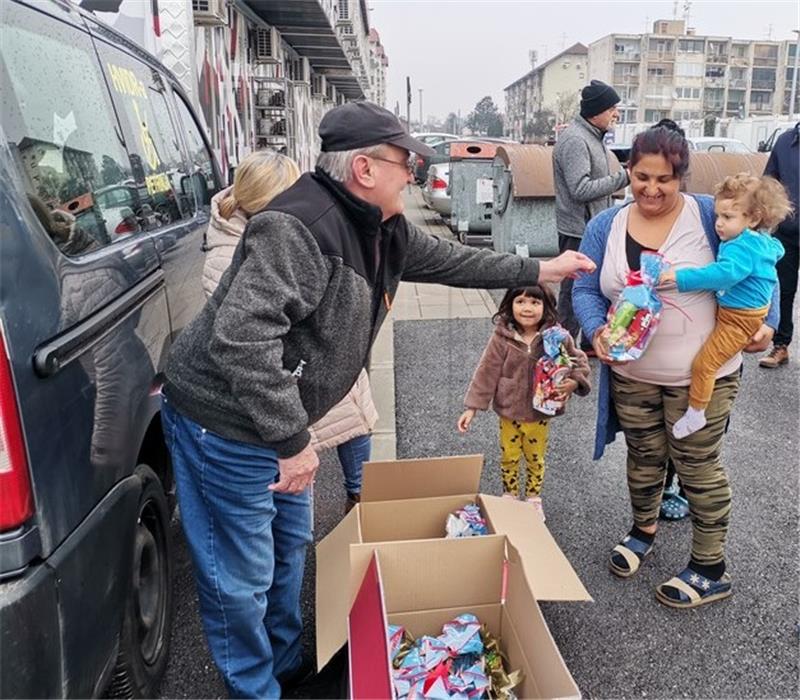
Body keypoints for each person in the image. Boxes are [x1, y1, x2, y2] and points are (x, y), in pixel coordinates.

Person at [160, 100, 596, 698]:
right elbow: (241, 337)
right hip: (226, 423)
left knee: (289, 548)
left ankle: (287, 666)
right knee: (236, 577)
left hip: (277, 420)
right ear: (365, 168)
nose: (414, 173)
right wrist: (291, 441)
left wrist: (541, 267)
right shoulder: (298, 228)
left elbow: (453, 260)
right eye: (405, 163)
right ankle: (254, 688)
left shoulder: (381, 225)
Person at [572, 121, 778, 609]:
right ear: (628, 171)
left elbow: (760, 265)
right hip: (631, 375)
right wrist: (596, 329)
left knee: (698, 466)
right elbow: (583, 286)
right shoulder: (606, 225)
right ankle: (643, 531)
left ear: (682, 177)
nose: (652, 188)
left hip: (702, 377)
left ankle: (711, 567)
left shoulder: (711, 216)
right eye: (642, 176)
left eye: (664, 178)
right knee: (643, 460)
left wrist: (765, 323)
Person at [202, 149, 376, 514]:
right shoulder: (230, 253)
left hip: (318, 366)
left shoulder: (287, 229)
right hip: (290, 381)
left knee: (357, 419)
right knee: (292, 486)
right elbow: (245, 341)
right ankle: (353, 501)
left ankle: (361, 497)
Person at [662, 173, 791, 438]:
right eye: (718, 216)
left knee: (704, 364)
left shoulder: (742, 246)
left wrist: (679, 277)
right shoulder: (757, 241)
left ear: (753, 218)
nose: (719, 224)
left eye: (728, 218)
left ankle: (696, 413)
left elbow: (723, 274)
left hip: (739, 318)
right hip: (742, 312)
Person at [457, 285, 590, 520]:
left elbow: (579, 362)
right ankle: (509, 493)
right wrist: (472, 407)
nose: (527, 308)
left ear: (546, 307)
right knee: (509, 455)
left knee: (535, 457)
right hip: (508, 411)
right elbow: (487, 370)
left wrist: (573, 382)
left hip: (540, 413)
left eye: (535, 303)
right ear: (510, 305)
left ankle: (533, 497)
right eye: (520, 302)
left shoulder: (557, 336)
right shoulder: (502, 337)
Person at [553, 79, 630, 348]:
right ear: (596, 110)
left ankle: (587, 344)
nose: (616, 114)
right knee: (574, 291)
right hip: (578, 229)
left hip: (589, 227)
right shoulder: (576, 139)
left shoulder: (591, 136)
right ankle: (561, 349)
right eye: (612, 108)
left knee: (593, 285)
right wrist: (625, 178)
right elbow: (580, 189)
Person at [759, 122, 799, 368]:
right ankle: (781, 345)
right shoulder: (785, 142)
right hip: (787, 232)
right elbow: (768, 184)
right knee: (783, 291)